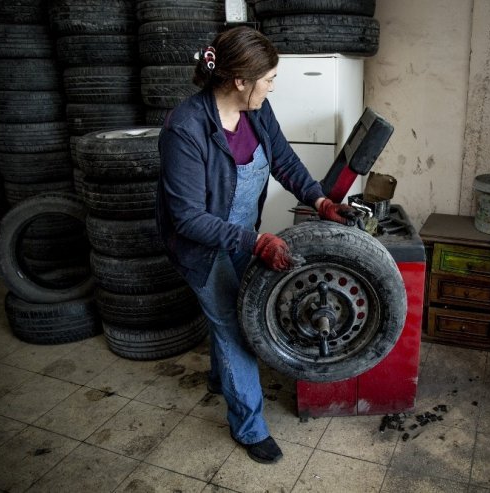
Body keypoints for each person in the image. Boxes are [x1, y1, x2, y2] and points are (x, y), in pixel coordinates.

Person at [155, 26, 355, 464]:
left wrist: (319, 199)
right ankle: (249, 428)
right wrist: (254, 241)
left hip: (244, 232)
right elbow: (188, 218)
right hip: (200, 246)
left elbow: (283, 159)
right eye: (268, 79)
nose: (272, 86)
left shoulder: (257, 111)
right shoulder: (185, 129)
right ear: (240, 81)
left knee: (231, 314)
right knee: (235, 326)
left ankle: (218, 378)